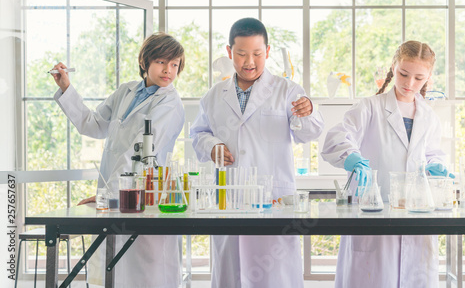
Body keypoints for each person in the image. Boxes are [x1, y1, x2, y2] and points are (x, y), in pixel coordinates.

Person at [191, 17, 324, 288]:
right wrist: (211, 146)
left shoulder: (287, 91)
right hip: (229, 199)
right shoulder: (215, 95)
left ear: (268, 51)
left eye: (257, 54)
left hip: (272, 199)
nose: (249, 61)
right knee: (231, 277)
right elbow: (197, 135)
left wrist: (309, 112)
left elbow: (307, 134)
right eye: (241, 54)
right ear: (229, 53)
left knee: (274, 279)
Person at [51, 32, 185, 288]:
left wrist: (110, 194)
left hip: (146, 194)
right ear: (145, 62)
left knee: (146, 270)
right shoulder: (126, 91)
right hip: (117, 191)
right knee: (116, 270)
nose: (168, 70)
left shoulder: (170, 103)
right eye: (161, 62)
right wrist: (67, 88)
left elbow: (139, 151)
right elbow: (94, 125)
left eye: (175, 64)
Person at [321, 40, 451, 288]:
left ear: (429, 78)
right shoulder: (370, 107)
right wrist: (352, 157)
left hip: (417, 215)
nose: (409, 84)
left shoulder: (429, 116)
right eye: (403, 74)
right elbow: (336, 138)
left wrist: (437, 166)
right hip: (373, 216)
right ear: (394, 66)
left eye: (419, 78)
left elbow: (433, 153)